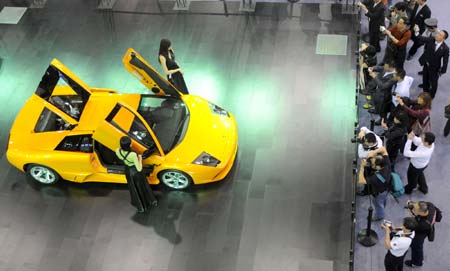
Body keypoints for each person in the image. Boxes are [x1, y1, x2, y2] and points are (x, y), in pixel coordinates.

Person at [116, 136, 158, 213]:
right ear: (129, 145)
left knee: (134, 188)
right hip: (135, 172)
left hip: (128, 171)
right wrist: (140, 159)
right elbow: (139, 169)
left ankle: (140, 205)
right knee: (142, 186)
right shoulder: (132, 154)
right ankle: (149, 201)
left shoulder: (117, 151)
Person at [404, 200, 442, 267]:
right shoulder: (430, 205)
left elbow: (412, 224)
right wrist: (413, 204)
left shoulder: (423, 224)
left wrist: (410, 212)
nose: (413, 208)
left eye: (415, 209)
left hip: (422, 231)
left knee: (417, 246)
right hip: (423, 225)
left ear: (421, 212)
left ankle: (417, 262)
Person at [358, 147, 391, 220]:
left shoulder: (376, 178)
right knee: (383, 201)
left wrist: (362, 167)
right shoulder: (386, 163)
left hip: (379, 193)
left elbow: (361, 181)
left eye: (373, 164)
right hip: (386, 188)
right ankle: (382, 206)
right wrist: (374, 152)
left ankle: (379, 216)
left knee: (378, 204)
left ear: (378, 166)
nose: (371, 164)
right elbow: (384, 149)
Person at [417, 30, 449, 99]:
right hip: (426, 64)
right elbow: (422, 38)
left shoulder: (445, 49)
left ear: (443, 39)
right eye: (438, 33)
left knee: (434, 83)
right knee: (425, 78)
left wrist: (442, 70)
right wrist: (417, 32)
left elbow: (445, 61)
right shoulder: (431, 39)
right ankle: (425, 90)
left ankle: (432, 95)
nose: (437, 35)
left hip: (435, 69)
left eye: (440, 35)